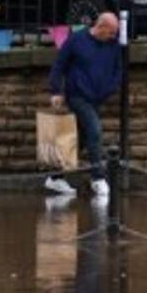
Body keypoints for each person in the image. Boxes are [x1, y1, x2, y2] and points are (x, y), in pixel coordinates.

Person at [46, 13, 123, 197]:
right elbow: (59, 66)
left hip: (97, 97)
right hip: (78, 96)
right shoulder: (76, 41)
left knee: (81, 139)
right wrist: (56, 91)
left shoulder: (113, 45)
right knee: (94, 130)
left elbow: (118, 70)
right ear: (101, 26)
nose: (113, 37)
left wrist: (111, 87)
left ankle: (55, 179)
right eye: (111, 33)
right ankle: (98, 178)